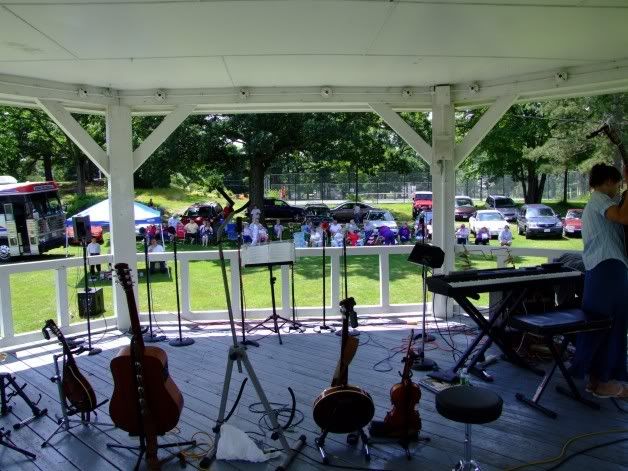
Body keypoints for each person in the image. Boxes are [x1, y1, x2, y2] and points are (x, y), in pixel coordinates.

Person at [570, 163, 628, 398]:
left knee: (599, 323)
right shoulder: (600, 199)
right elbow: (623, 217)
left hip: (600, 269)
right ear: (608, 182)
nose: (618, 190)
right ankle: (606, 381)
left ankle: (595, 380)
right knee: (613, 323)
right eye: (617, 185)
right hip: (609, 266)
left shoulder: (598, 202)